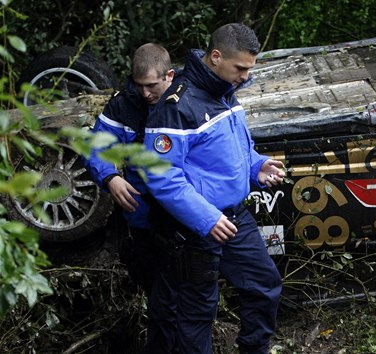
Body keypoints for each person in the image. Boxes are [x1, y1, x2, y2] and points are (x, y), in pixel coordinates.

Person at [140, 23, 284, 354]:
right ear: (216, 57)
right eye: (241, 68)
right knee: (196, 314)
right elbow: (161, 176)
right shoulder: (176, 105)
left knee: (264, 286)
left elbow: (234, 151)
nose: (246, 77)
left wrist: (255, 166)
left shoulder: (226, 94)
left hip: (233, 217)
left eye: (249, 69)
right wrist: (205, 219)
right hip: (194, 229)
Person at [84, 43, 175, 293]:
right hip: (142, 215)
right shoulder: (122, 105)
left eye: (152, 86)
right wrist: (110, 176)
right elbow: (95, 147)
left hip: (183, 212)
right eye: (139, 85)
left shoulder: (186, 100)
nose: (145, 94)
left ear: (169, 76)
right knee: (153, 289)